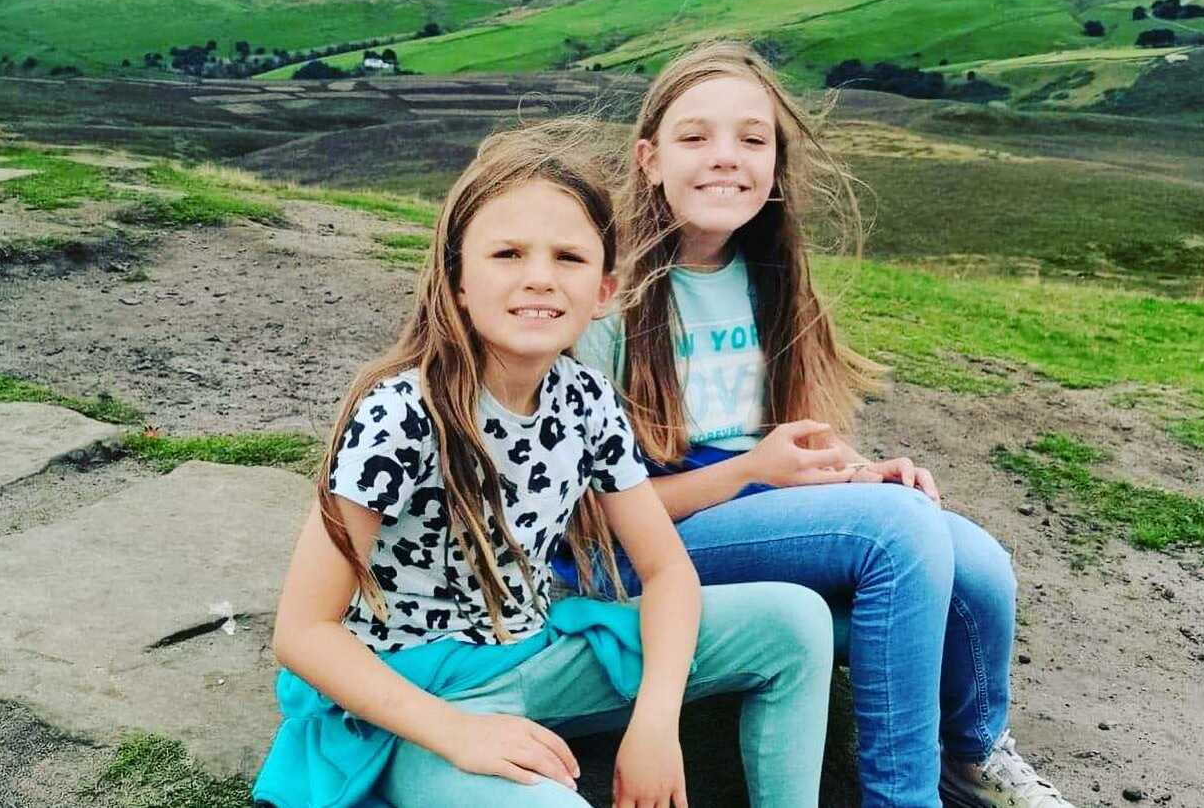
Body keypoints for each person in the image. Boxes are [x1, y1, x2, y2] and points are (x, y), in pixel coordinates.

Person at [253, 121, 834, 808]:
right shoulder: (399, 415)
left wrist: (655, 721)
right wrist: (457, 734)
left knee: (796, 622)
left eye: (568, 257)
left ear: (604, 292)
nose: (538, 279)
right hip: (417, 705)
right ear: (457, 281)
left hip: (539, 655)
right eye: (506, 253)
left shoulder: (586, 399)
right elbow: (302, 631)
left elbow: (666, 569)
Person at [568, 42, 1076, 808]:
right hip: (633, 548)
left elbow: (782, 450)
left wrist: (856, 476)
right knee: (896, 534)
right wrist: (751, 474)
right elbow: (579, 516)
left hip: (745, 516)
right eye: (695, 137)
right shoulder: (611, 295)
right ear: (649, 158)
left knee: (976, 567)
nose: (725, 159)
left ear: (775, 163)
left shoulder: (770, 279)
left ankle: (971, 755)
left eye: (752, 138)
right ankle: (902, 799)